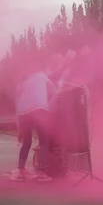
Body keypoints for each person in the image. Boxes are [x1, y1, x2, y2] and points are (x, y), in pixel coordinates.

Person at [14, 53, 67, 182]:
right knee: (44, 141)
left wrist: (19, 125)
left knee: (27, 142)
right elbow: (54, 91)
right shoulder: (42, 76)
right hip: (38, 110)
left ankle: (21, 171)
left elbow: (18, 100)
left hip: (22, 113)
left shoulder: (23, 81)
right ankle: (42, 173)